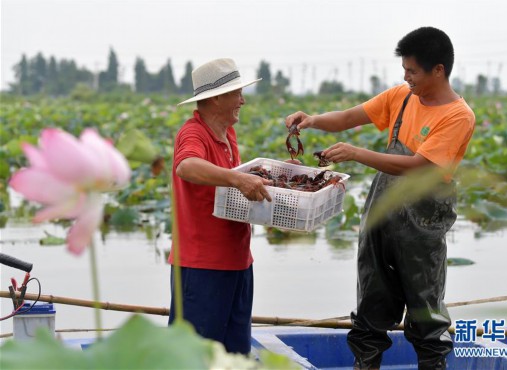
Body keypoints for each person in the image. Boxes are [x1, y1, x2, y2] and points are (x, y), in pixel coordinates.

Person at [285, 27, 475, 370]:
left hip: (422, 226)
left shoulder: (457, 115)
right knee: (371, 305)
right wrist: (311, 120)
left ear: (438, 70)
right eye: (404, 70)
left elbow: (417, 167)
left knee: (426, 317)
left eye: (413, 71)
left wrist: (357, 154)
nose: (407, 78)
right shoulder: (401, 97)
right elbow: (347, 118)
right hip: (382, 217)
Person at [168, 58, 272, 355]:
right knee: (195, 356)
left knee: (234, 354)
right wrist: (237, 179)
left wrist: (275, 177)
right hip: (202, 268)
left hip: (238, 263)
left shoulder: (228, 133)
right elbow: (186, 166)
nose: (242, 101)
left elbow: (231, 183)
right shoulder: (193, 133)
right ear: (215, 99)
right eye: (236, 94)